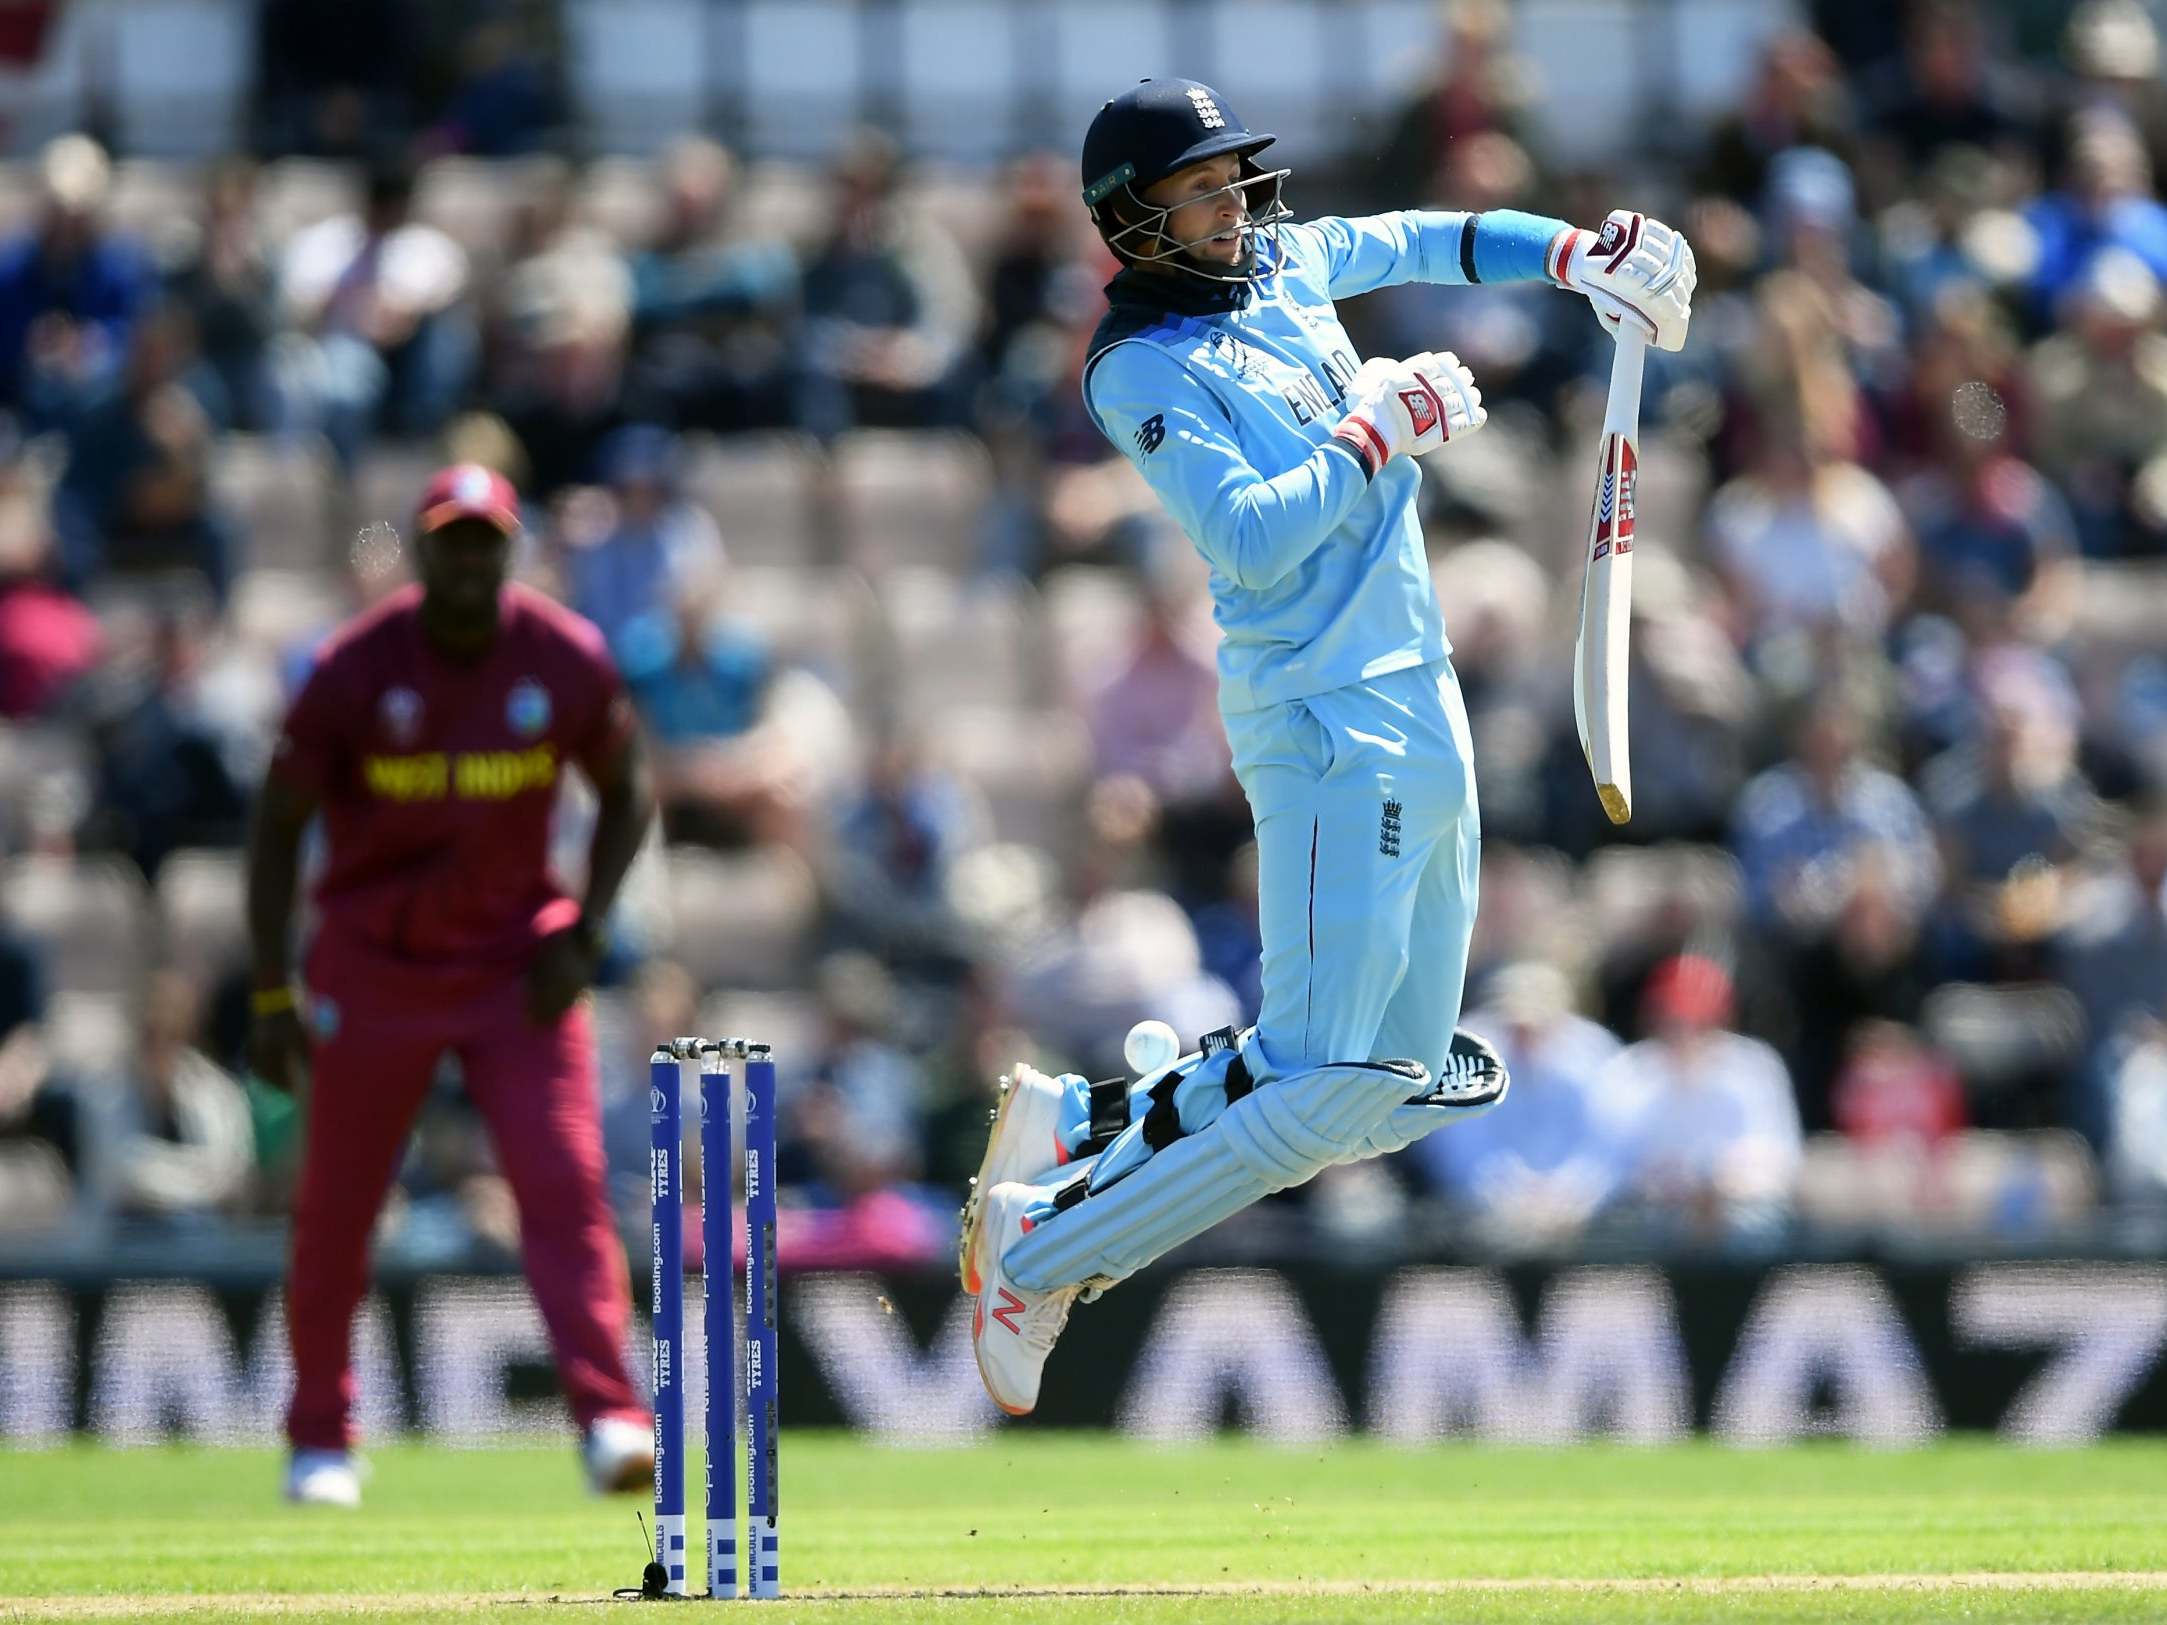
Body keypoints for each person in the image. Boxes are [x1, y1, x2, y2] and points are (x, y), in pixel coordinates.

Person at [957, 77, 1695, 1414]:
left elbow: (1426, 237)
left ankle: (1087, 1124)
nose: (1230, 206)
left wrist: (1578, 254)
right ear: (1133, 220)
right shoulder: (1137, 366)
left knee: (1392, 1083)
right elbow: (1243, 534)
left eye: (1231, 177)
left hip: (1418, 695)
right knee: (1322, 1082)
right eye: (1196, 189)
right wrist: (1378, 427)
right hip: (1317, 717)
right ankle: (1040, 1249)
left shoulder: (1285, 259)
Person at [245, 464, 657, 1505]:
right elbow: (277, 826)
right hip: (373, 967)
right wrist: (267, 990)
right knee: (337, 1205)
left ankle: (610, 1415)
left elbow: (628, 791)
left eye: (486, 540)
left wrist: (591, 927)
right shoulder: (352, 667)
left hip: (517, 966)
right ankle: (320, 1435)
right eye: (451, 540)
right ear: (423, 549)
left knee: (562, 1184)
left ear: (509, 550)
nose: (469, 559)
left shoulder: (562, 657)